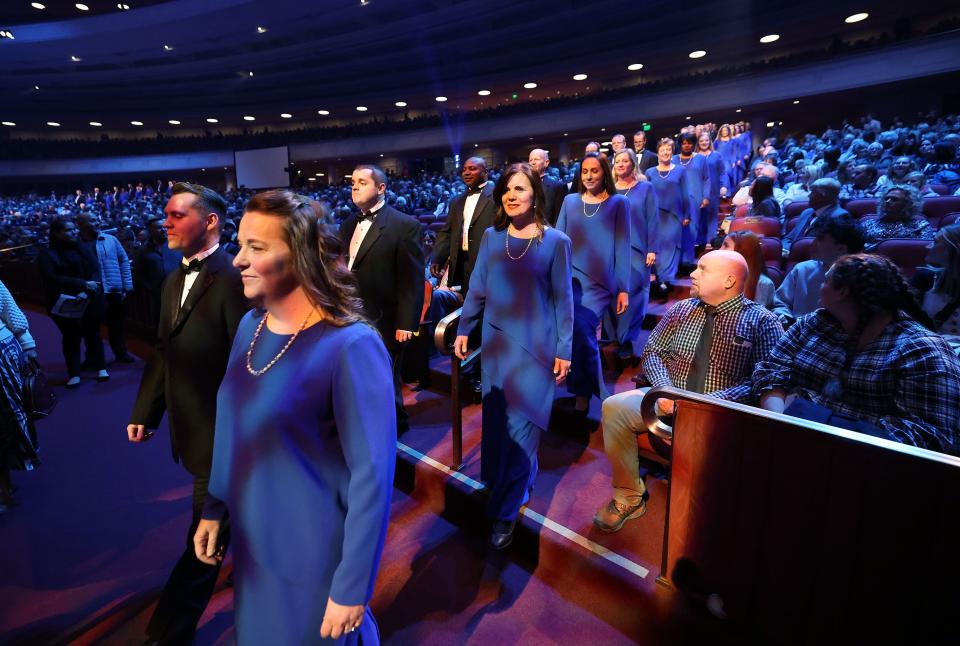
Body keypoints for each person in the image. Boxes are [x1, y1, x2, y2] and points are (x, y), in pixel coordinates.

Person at [194, 190, 395, 643]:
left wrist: (352, 585)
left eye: (257, 248)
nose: (238, 260)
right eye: (239, 244)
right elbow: (232, 428)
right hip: (254, 539)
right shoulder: (251, 325)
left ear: (302, 255)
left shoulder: (352, 345)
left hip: (314, 548)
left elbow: (373, 475)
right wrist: (215, 507)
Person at [128, 182, 248, 645]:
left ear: (210, 221)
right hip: (194, 429)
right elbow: (163, 350)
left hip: (228, 435)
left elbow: (248, 368)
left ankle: (169, 632)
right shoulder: (172, 277)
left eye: (177, 215)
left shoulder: (236, 278)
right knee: (219, 530)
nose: (166, 222)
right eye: (167, 215)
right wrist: (148, 409)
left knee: (204, 537)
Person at [594, 251, 783, 532]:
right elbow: (653, 351)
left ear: (729, 280)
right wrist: (666, 390)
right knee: (614, 406)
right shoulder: (681, 309)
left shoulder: (762, 322)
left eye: (702, 269)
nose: (693, 274)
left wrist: (700, 402)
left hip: (718, 412)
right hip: (667, 401)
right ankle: (628, 495)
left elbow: (760, 381)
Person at [454, 164, 573, 550]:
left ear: (535, 193)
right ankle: (511, 483)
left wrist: (564, 349)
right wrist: (463, 328)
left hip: (537, 347)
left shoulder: (555, 241)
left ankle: (505, 511)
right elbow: (477, 289)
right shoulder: (492, 237)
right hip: (497, 346)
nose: (511, 195)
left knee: (523, 429)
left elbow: (563, 300)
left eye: (519, 188)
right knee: (499, 426)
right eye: (506, 189)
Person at [754, 254, 960, 455]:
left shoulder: (923, 350)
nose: (820, 287)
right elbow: (771, 369)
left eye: (826, 280)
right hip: (790, 443)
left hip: (869, 470)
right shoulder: (813, 323)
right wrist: (779, 420)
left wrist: (803, 409)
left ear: (842, 292)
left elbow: (929, 438)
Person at [339, 164, 424, 435]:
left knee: (384, 378)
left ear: (381, 188)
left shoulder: (404, 225)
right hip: (350, 315)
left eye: (362, 182)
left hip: (385, 318)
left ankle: (392, 430)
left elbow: (411, 279)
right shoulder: (348, 224)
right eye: (353, 182)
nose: (354, 186)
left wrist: (407, 323)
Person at [556, 152, 630, 413]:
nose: (588, 176)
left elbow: (622, 248)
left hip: (600, 283)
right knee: (576, 332)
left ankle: (587, 390)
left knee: (582, 329)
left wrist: (623, 289)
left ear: (604, 173)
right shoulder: (569, 201)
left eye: (594, 171)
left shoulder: (618, 203)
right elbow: (558, 242)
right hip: (570, 279)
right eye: (584, 171)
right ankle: (585, 388)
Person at [38, 217, 108, 387]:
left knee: (93, 334)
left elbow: (96, 270)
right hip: (64, 300)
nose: (73, 232)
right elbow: (52, 277)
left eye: (73, 229)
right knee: (71, 336)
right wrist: (82, 284)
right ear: (56, 233)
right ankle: (74, 372)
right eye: (67, 230)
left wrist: (86, 291)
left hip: (89, 297)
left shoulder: (83, 248)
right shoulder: (48, 253)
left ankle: (100, 367)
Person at [774, 216, 865, 325]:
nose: (812, 244)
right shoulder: (802, 269)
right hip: (797, 332)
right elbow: (779, 303)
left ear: (841, 248)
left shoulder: (864, 277)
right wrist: (786, 320)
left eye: (820, 239)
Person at [611, 149, 657, 359]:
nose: (620, 164)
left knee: (633, 294)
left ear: (633, 164)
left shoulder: (645, 187)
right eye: (617, 161)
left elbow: (652, 219)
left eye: (625, 161)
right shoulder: (608, 190)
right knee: (612, 292)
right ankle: (613, 336)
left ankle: (627, 339)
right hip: (610, 250)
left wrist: (652, 249)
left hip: (637, 249)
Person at [430, 157, 497, 297]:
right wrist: (438, 257)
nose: (466, 172)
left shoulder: (497, 196)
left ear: (485, 172)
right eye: (464, 169)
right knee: (469, 305)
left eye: (472, 169)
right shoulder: (456, 201)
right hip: (463, 262)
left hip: (489, 262)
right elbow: (447, 232)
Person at [0, 280, 39, 512]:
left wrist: (27, 343)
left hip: (2, 354)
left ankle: (4, 481)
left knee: (8, 421)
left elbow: (8, 308)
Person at [76, 213, 134, 363]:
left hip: (113, 290)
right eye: (93, 220)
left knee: (117, 325)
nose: (98, 222)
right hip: (91, 292)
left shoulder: (111, 239)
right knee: (91, 328)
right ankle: (93, 358)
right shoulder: (76, 244)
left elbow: (124, 261)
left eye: (97, 219)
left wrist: (126, 286)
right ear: (81, 224)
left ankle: (121, 353)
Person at [647, 138, 693, 296]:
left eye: (668, 150)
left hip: (674, 216)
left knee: (671, 247)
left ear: (672, 152)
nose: (665, 153)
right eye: (662, 150)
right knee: (658, 247)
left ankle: (668, 279)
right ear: (658, 152)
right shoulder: (650, 172)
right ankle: (660, 278)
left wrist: (687, 214)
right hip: (655, 216)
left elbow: (686, 194)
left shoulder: (680, 170)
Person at [911, 224, 960, 354]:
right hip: (926, 348)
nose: (928, 246)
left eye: (936, 242)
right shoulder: (924, 278)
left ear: (954, 249)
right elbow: (904, 319)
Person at [134, 217, 182, 333]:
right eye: (159, 228)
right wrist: (149, 287)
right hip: (157, 295)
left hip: (179, 292)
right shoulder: (143, 250)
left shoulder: (177, 244)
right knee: (161, 326)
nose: (163, 230)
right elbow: (139, 273)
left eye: (165, 227)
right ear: (150, 231)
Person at [782, 178, 849, 255]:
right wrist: (784, 249)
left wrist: (792, 252)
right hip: (791, 256)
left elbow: (827, 249)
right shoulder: (807, 212)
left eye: (812, 192)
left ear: (821, 197)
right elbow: (789, 238)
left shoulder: (839, 217)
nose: (809, 195)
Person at [673, 132, 711, 264]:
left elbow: (706, 179)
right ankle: (679, 258)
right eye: (684, 143)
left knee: (692, 227)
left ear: (693, 144)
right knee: (678, 228)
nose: (687, 145)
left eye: (689, 143)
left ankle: (688, 259)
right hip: (677, 199)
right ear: (680, 145)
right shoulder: (673, 160)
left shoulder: (700, 159)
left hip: (695, 197)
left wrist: (706, 196)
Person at [860, 184, 934, 251]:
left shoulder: (921, 226)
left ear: (909, 204)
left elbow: (926, 248)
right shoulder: (868, 224)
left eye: (895, 199)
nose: (887, 201)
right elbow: (856, 247)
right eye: (886, 198)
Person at [721, 231, 775, 308]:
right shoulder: (718, 274)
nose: (720, 249)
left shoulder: (762, 283)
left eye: (726, 246)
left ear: (742, 252)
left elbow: (757, 316)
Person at [697, 131, 728, 247]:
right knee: (700, 218)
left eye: (706, 140)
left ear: (709, 141)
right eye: (701, 141)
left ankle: (711, 242)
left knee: (711, 217)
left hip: (714, 190)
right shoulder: (695, 156)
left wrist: (724, 186)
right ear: (698, 143)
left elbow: (722, 172)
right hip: (698, 191)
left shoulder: (717, 155)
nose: (704, 143)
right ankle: (700, 242)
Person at [528, 148, 568, 226]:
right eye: (530, 160)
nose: (532, 162)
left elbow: (559, 218)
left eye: (536, 159)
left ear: (546, 163)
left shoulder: (557, 186)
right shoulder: (523, 185)